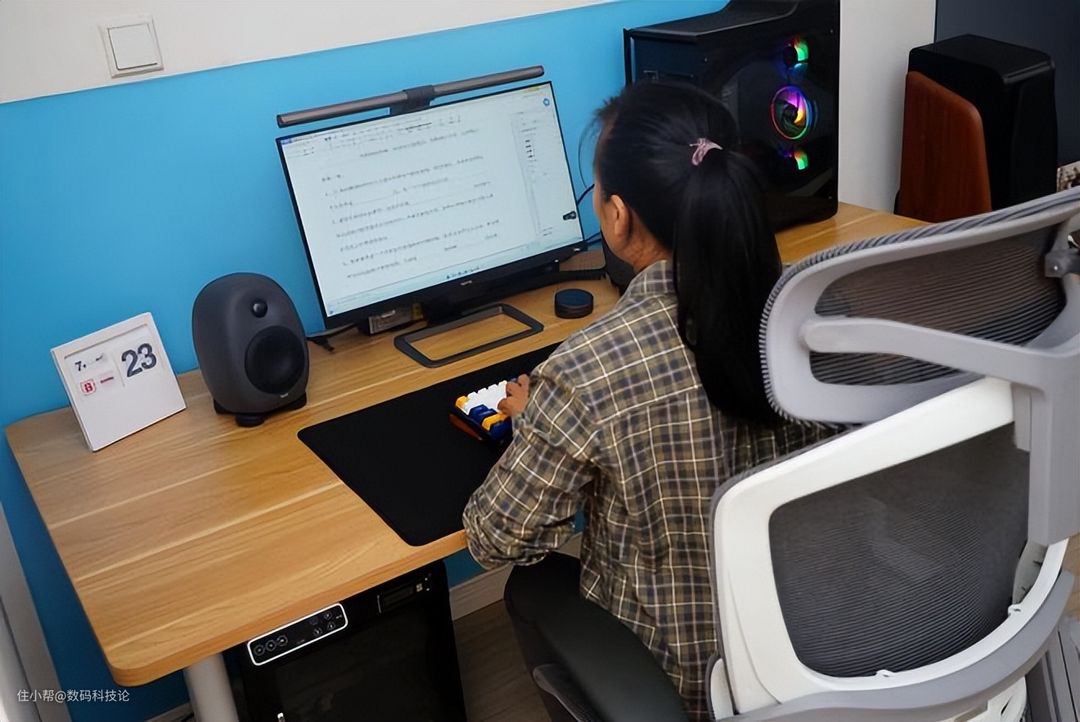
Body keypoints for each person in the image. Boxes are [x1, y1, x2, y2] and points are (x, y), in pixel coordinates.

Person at [462, 80, 828, 721]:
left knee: (530, 584)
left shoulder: (586, 371)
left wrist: (537, 424)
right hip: (823, 645)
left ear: (617, 216)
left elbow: (494, 539)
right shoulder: (811, 316)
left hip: (686, 685)